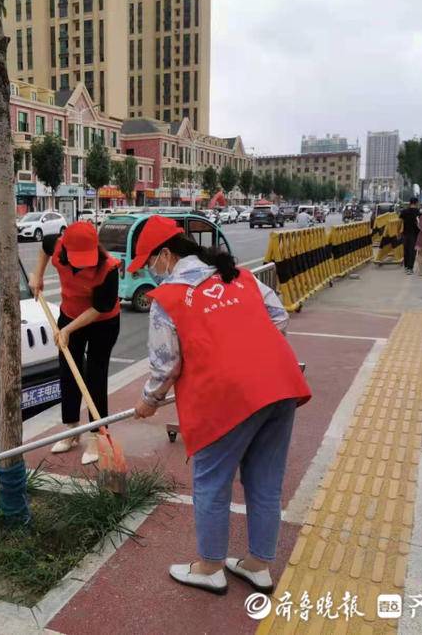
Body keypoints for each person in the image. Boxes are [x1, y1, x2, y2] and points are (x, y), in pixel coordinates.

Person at [129, 216, 311, 595]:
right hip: (279, 387)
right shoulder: (239, 277)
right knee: (265, 481)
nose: (150, 271)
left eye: (149, 262)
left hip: (226, 398)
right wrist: (251, 356)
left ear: (166, 254)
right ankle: (258, 565)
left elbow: (166, 366)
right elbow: (278, 316)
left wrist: (148, 403)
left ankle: (210, 566)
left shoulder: (168, 299)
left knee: (211, 482)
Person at [29, 221, 121, 464]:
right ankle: (71, 430)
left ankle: (96, 436)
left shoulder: (109, 268)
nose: (83, 262)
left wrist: (67, 329)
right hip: (69, 312)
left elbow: (100, 307)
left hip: (103, 321)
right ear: (66, 248)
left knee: (95, 375)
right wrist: (37, 275)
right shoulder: (58, 247)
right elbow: (45, 248)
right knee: (68, 370)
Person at [399, 198, 421, 275]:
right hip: (414, 234)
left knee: (406, 251)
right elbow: (419, 224)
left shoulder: (404, 211)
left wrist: (399, 232)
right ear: (416, 203)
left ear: (410, 202)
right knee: (412, 251)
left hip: (405, 233)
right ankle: (410, 268)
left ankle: (406, 267)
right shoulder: (418, 212)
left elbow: (400, 222)